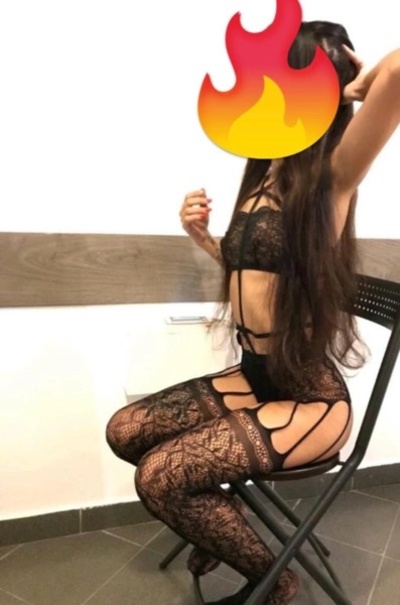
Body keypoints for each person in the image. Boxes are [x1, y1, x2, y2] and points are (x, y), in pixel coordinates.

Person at [106, 21, 400, 605]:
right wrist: (203, 239)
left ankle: (274, 580)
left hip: (308, 398)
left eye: (290, 79)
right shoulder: (266, 170)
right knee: (126, 431)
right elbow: (262, 272)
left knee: (160, 477)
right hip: (254, 377)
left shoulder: (334, 174)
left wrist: (346, 87)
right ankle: (225, 518)